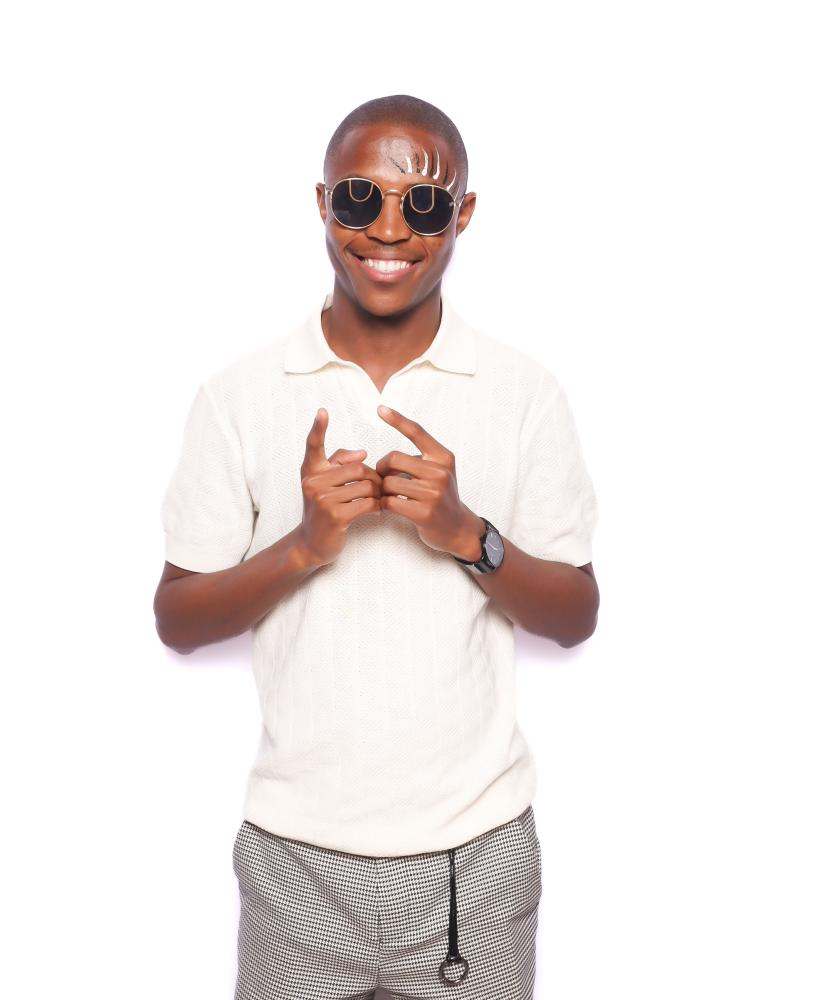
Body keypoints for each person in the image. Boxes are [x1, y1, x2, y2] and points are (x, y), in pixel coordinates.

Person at [154, 93, 600, 1000]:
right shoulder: (239, 394)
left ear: (462, 215)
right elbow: (177, 620)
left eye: (423, 204)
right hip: (295, 859)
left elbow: (575, 615)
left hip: (474, 859)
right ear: (323, 202)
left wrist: (466, 534)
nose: (390, 229)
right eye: (361, 198)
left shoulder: (523, 392)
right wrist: (303, 545)